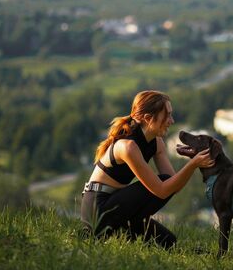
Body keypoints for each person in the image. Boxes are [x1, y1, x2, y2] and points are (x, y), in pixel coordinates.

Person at [81, 90, 214, 249]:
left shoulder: (156, 142)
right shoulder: (127, 147)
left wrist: (192, 161)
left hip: (118, 206)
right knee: (163, 182)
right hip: (98, 210)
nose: (171, 121)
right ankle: (95, 234)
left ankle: (129, 229)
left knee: (169, 242)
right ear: (148, 118)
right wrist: (193, 165)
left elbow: (174, 187)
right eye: (167, 115)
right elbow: (162, 189)